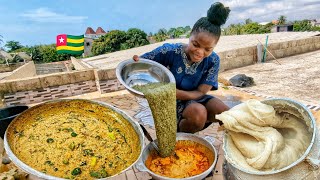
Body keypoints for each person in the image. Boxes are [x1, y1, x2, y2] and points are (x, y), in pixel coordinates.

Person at [133, 2, 230, 133]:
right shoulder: (170, 51)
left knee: (227, 114)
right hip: (172, 101)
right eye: (196, 44)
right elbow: (143, 61)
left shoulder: (213, 60)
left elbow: (201, 92)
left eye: (207, 49)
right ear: (190, 36)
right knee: (198, 115)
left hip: (195, 96)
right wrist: (136, 60)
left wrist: (174, 92)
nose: (200, 52)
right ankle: (179, 138)